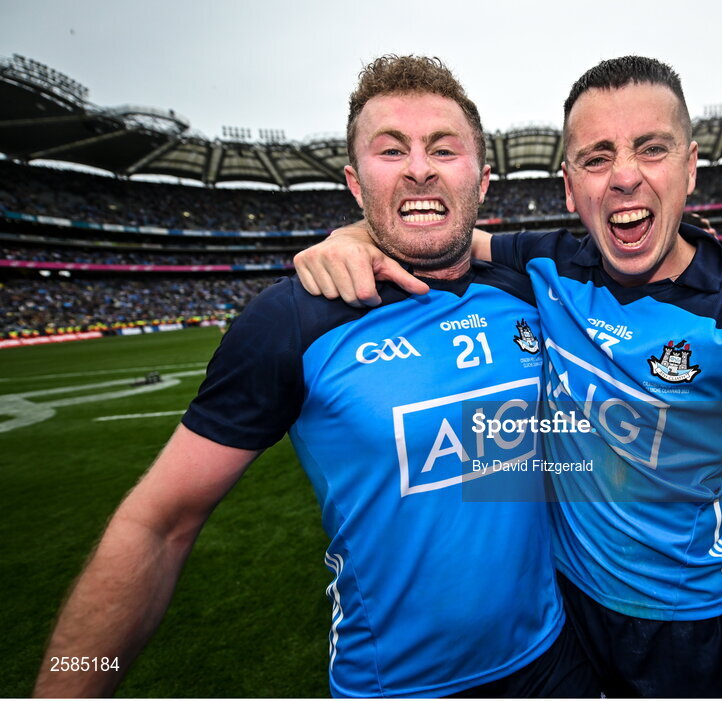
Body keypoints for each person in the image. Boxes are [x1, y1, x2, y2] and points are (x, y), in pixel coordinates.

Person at [294, 56, 722, 697]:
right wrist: (350, 236)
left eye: (651, 149)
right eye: (597, 158)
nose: (624, 176)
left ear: (690, 168)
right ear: (570, 188)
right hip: (563, 616)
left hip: (684, 627)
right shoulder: (549, 263)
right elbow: (431, 232)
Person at [34, 55, 600, 698]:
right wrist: (70, 688)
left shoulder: (536, 289)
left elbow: (662, 255)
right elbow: (158, 525)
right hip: (397, 687)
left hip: (559, 663)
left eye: (444, 149)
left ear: (483, 177)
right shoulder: (291, 320)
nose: (420, 167)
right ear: (356, 185)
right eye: (392, 151)